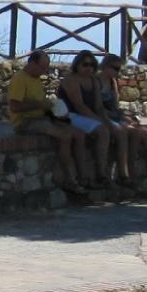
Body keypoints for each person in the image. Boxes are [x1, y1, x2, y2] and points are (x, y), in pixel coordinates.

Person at [7, 50, 89, 196]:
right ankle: (69, 179)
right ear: (32, 63)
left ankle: (84, 176)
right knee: (64, 136)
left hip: (41, 117)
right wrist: (39, 105)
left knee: (79, 133)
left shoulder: (36, 79)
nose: (44, 71)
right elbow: (15, 106)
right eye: (42, 67)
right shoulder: (20, 79)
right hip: (25, 121)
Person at [100, 55, 147, 188]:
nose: (117, 71)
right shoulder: (96, 82)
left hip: (115, 116)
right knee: (128, 131)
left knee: (144, 132)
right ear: (106, 66)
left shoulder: (112, 82)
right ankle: (125, 173)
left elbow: (116, 106)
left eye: (119, 68)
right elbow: (98, 107)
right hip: (104, 117)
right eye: (115, 68)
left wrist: (126, 115)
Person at [56, 53, 119, 190]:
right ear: (77, 65)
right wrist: (100, 123)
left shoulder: (93, 81)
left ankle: (119, 175)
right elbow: (79, 105)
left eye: (92, 65)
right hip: (70, 114)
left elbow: (98, 107)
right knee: (102, 131)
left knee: (117, 130)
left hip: (87, 115)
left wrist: (107, 121)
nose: (88, 68)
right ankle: (100, 174)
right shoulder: (71, 79)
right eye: (85, 64)